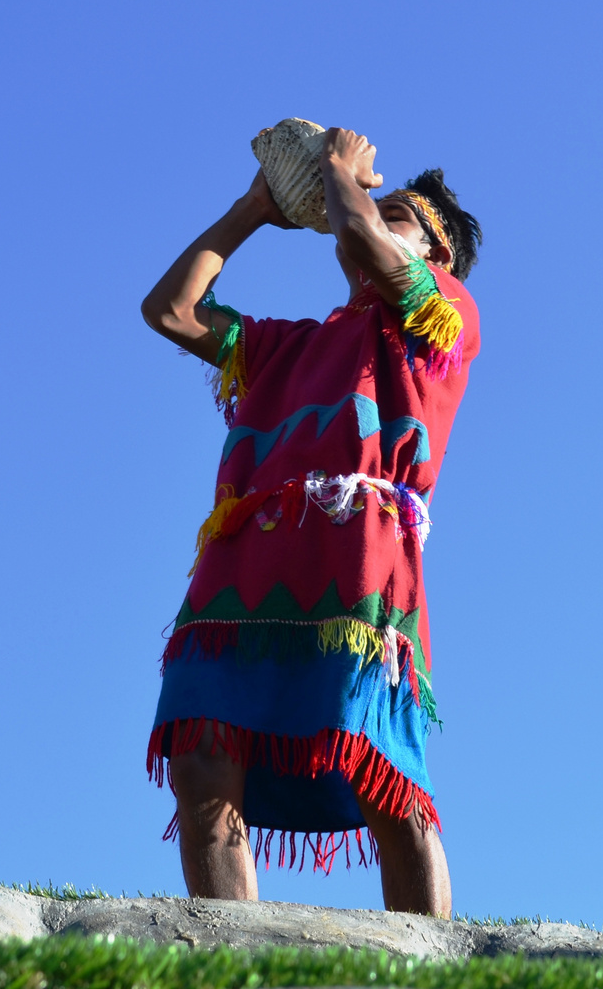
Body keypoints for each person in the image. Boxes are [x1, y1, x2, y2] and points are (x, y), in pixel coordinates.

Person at [140, 128, 481, 915]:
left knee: (379, 771)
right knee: (199, 754)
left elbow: (359, 231)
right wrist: (254, 208)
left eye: (395, 212)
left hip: (358, 553)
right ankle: (233, 952)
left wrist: (336, 170)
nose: (364, 212)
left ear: (438, 258)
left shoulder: (442, 316)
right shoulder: (287, 346)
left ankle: (431, 966)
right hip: (242, 560)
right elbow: (170, 309)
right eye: (372, 201)